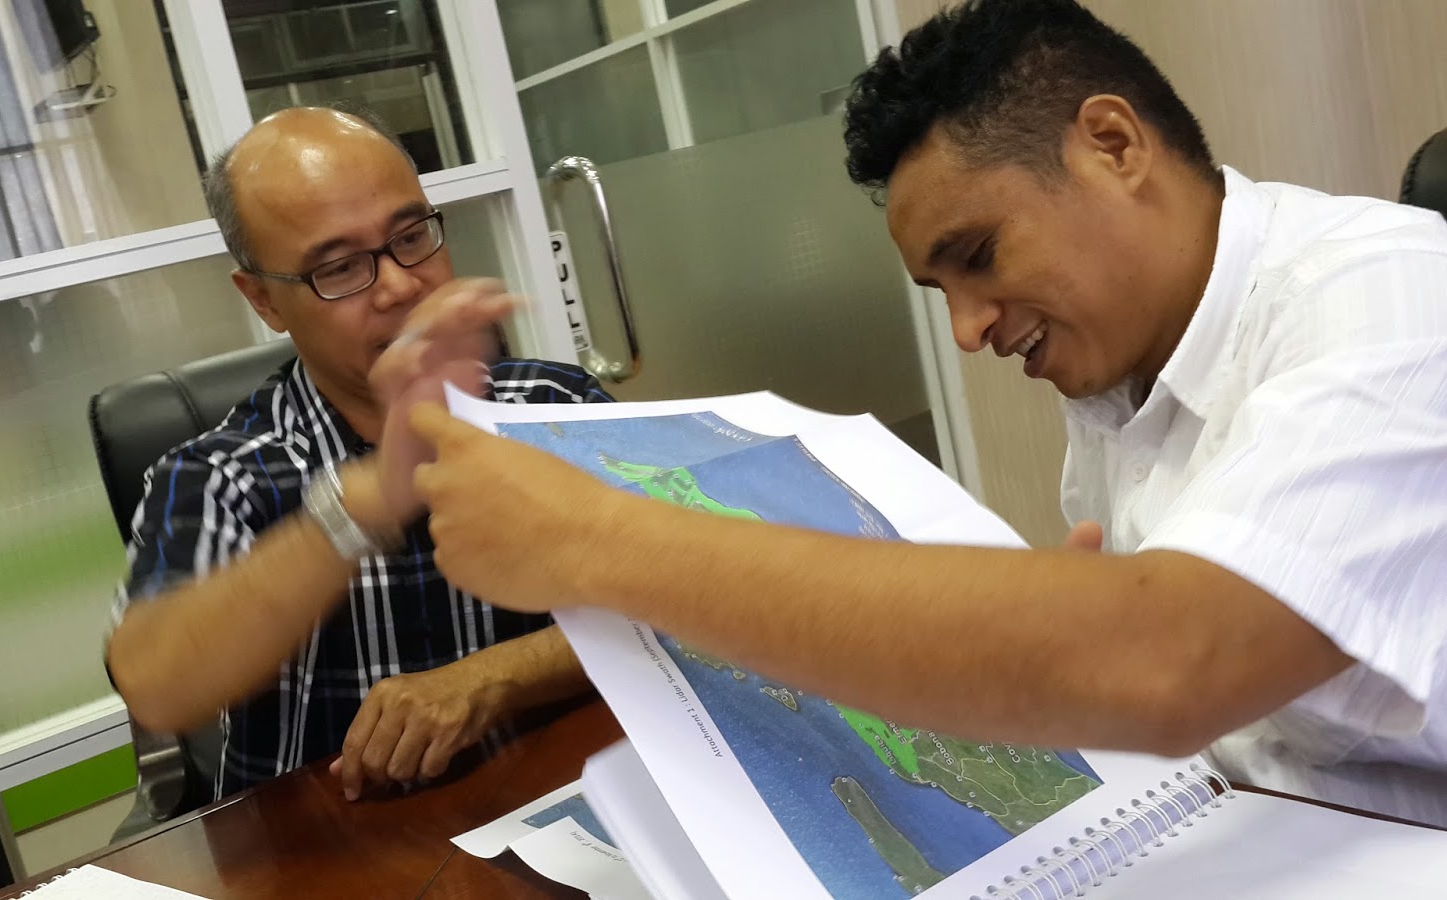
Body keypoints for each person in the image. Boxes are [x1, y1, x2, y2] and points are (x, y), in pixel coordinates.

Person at [404, 0, 1447, 823]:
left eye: (978, 256)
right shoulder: (1118, 374)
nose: (968, 329)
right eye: (939, 290)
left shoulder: (1394, 297)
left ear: (1113, 144)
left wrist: (594, 539)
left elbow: (1175, 659)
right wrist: (1055, 634)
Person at [105, 106, 610, 802]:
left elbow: (685, 599)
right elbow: (157, 689)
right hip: (335, 835)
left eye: (412, 236)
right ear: (264, 300)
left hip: (563, 798)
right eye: (340, 268)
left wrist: (495, 679)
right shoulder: (223, 474)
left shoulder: (554, 406)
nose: (401, 285)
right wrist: (369, 497)